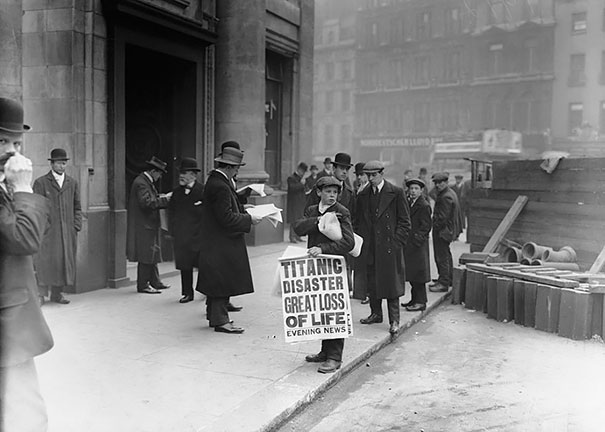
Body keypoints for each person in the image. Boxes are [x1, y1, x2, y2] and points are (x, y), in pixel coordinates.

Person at [0, 96, 54, 432]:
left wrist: (19, 191)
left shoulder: (6, 187)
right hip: (7, 321)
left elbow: (38, 231)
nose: (12, 152)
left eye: (17, 142)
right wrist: (21, 188)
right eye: (2, 141)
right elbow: (25, 240)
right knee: (25, 417)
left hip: (12, 318)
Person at [197, 146, 262, 334]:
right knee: (221, 280)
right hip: (222, 242)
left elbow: (224, 210)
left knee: (217, 279)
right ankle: (221, 320)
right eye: (237, 168)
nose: (237, 171)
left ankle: (215, 315)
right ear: (230, 167)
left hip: (215, 241)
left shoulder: (217, 181)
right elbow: (226, 218)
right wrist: (250, 219)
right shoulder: (221, 186)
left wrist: (242, 208)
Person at [293, 176, 354, 373]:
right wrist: (317, 221)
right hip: (317, 268)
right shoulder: (312, 210)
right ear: (319, 192)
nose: (332, 196)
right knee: (321, 307)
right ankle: (325, 351)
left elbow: (348, 242)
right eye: (328, 191)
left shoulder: (342, 212)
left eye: (335, 192)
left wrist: (322, 248)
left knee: (334, 310)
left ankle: (335, 357)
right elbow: (298, 228)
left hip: (334, 266)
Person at [354, 160, 411, 334]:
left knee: (391, 284)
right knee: (372, 282)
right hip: (371, 246)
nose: (370, 179)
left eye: (374, 175)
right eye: (367, 175)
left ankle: (394, 320)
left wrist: (396, 243)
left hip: (388, 247)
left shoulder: (396, 192)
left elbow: (405, 222)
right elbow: (358, 220)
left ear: (381, 174)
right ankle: (375, 313)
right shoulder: (363, 195)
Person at [32, 148, 82, 305]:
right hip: (48, 232)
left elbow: (77, 206)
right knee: (44, 262)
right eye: (59, 163)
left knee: (63, 262)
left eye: (64, 163)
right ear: (52, 164)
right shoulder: (41, 183)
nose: (62, 166)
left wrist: (76, 226)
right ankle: (40, 295)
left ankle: (57, 293)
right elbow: (37, 208)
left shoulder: (71, 182)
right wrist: (44, 228)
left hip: (67, 231)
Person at [126, 156, 172, 294]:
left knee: (152, 253)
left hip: (148, 224)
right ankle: (143, 285)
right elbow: (147, 203)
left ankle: (154, 281)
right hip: (144, 225)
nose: (160, 176)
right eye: (159, 173)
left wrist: (161, 197)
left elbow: (149, 200)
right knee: (146, 255)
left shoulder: (144, 181)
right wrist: (166, 200)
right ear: (153, 171)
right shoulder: (142, 183)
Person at [168, 157, 204, 304]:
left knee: (204, 265)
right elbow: (172, 214)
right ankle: (187, 293)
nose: (181, 176)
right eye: (180, 173)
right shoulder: (176, 193)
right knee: (185, 265)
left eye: (185, 173)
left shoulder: (202, 191)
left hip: (199, 236)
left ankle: (206, 290)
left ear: (194, 175)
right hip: (182, 236)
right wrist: (172, 233)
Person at [402, 178, 432, 312]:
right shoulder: (409, 203)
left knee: (419, 275)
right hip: (411, 245)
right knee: (413, 275)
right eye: (411, 188)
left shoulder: (424, 205)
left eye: (416, 189)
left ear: (421, 191)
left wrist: (415, 240)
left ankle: (421, 301)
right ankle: (414, 299)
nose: (413, 191)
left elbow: (426, 227)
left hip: (418, 246)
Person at [429, 172, 462, 293]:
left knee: (441, 256)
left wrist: (434, 225)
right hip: (447, 230)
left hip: (443, 231)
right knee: (446, 255)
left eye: (440, 183)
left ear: (446, 182)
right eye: (436, 183)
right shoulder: (448, 193)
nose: (437, 185)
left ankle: (443, 283)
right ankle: (448, 278)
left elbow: (442, 218)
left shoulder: (445, 196)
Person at [351, 162, 369, 304]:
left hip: (366, 231)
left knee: (367, 262)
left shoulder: (368, 190)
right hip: (358, 229)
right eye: (357, 175)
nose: (359, 178)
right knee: (358, 261)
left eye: (362, 175)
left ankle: (368, 293)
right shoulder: (358, 188)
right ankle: (359, 291)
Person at [286, 162, 308, 243]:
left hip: (300, 203)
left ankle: (298, 236)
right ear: (298, 169)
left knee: (299, 220)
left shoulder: (300, 179)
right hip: (293, 203)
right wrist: (301, 184)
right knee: (294, 220)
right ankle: (292, 237)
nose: (303, 173)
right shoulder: (291, 178)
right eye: (302, 171)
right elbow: (292, 188)